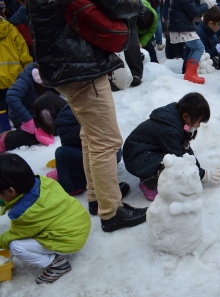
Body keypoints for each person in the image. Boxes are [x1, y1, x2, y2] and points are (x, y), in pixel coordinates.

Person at [28, 0, 148, 232]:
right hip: (79, 63)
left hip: (61, 61)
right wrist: (139, 5)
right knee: (106, 141)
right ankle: (111, 212)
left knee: (91, 136)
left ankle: (97, 197)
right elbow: (117, 5)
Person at [0, 153, 91, 284]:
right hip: (79, 222)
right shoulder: (43, 182)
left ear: (11, 191)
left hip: (69, 238)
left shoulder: (24, 213)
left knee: (16, 246)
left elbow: (14, 236)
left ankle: (58, 264)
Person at [124, 92, 220, 201]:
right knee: (170, 163)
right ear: (186, 116)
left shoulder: (176, 121)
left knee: (172, 161)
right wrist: (202, 174)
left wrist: (199, 171)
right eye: (198, 122)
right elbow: (179, 158)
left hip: (146, 152)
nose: (198, 126)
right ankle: (148, 183)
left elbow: (185, 150)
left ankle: (150, 176)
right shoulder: (169, 130)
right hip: (137, 158)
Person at [34, 93, 129, 205]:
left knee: (62, 153)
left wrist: (63, 171)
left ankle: (75, 186)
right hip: (113, 151)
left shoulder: (62, 122)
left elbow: (73, 152)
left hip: (102, 159)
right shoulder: (76, 108)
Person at [1, 65, 56, 151]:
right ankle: (5, 140)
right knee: (32, 137)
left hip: (41, 114)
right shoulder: (26, 79)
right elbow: (12, 97)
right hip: (24, 117)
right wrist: (27, 120)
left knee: (61, 128)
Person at [0, 7, 32, 135]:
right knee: (17, 103)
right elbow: (23, 51)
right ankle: (21, 130)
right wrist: (29, 67)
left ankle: (4, 132)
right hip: (15, 75)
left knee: (1, 107)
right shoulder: (10, 28)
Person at [168, 0, 215, 84]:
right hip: (182, 25)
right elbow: (194, 12)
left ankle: (189, 73)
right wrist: (206, 5)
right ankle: (190, 74)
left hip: (182, 24)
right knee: (199, 47)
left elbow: (190, 6)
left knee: (195, 48)